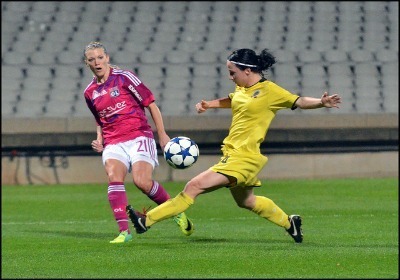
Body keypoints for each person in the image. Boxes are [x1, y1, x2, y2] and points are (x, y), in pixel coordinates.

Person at [126, 48, 342, 243]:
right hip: (235, 155)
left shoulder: (269, 91)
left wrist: (321, 103)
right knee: (247, 201)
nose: (230, 77)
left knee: (193, 187)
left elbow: (298, 101)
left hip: (243, 158)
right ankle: (290, 223)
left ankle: (146, 221)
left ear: (247, 70)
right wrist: (210, 104)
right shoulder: (242, 88)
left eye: (233, 72)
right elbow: (233, 99)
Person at [83, 41, 194, 243]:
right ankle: (124, 232)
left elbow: (151, 104)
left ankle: (175, 210)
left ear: (107, 58)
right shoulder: (89, 92)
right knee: (113, 177)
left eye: (100, 57)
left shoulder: (124, 78)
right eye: (92, 59)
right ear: (87, 63)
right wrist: (99, 139)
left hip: (139, 136)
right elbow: (99, 119)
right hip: (113, 142)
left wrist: (162, 134)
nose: (97, 62)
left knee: (141, 182)